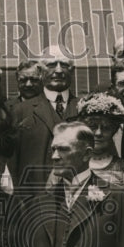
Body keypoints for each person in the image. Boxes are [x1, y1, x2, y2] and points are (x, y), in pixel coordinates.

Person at [10, 46, 80, 191]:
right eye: (52, 65)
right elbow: (12, 164)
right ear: (41, 72)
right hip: (35, 202)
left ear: (72, 71)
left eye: (65, 65)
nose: (59, 70)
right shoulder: (21, 111)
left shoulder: (84, 108)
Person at [70, 92, 124, 213]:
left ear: (114, 131)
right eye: (92, 127)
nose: (98, 133)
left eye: (105, 127)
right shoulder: (69, 166)